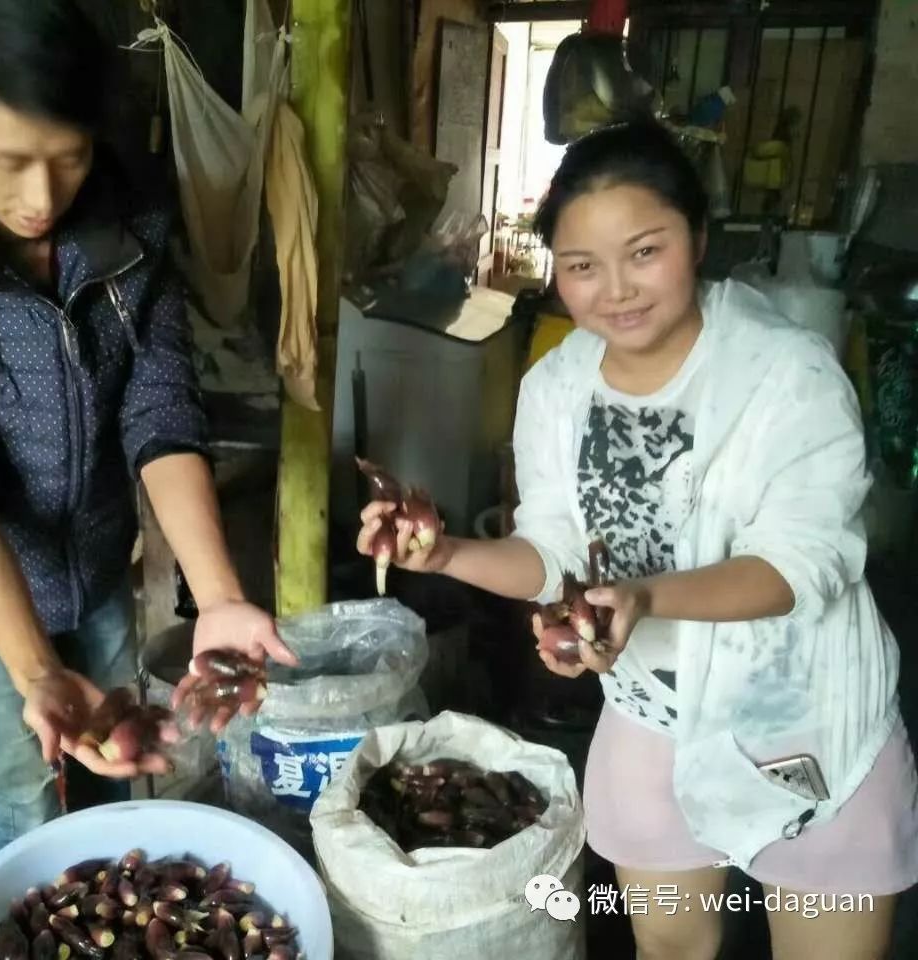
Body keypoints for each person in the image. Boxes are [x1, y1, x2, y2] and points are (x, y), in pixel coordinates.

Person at [357, 120, 917, 959]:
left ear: (696, 235)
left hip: (803, 721)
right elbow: (552, 551)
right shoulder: (555, 386)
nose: (614, 289)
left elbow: (809, 562)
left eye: (644, 252)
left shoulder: (788, 374)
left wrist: (646, 598)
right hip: (652, 719)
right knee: (666, 947)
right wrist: (443, 555)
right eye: (582, 267)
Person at [0, 0, 293, 861]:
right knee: (23, 788)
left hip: (101, 562)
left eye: (69, 161)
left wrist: (218, 594)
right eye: (12, 162)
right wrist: (35, 670)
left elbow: (162, 413)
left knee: (119, 756)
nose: (42, 198)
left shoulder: (132, 225)